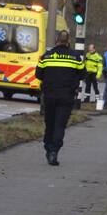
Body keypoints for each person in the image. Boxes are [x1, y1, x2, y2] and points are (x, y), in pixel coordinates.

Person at [35, 30, 85, 166]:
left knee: (50, 123)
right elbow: (83, 74)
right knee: (60, 125)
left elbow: (38, 74)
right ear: (68, 41)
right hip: (66, 96)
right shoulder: (75, 57)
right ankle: (54, 151)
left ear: (57, 40)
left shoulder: (46, 56)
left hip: (49, 95)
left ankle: (48, 147)